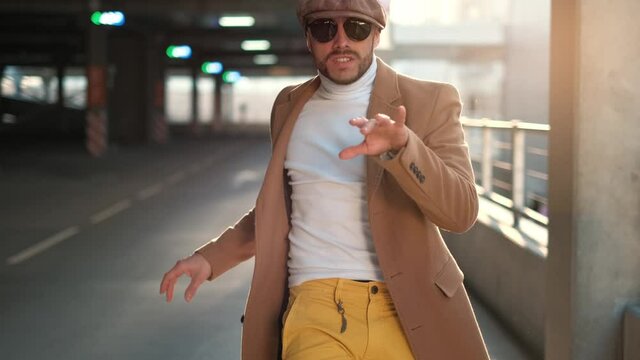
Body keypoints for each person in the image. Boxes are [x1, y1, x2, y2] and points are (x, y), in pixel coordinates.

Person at [160, 0, 490, 359]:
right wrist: (211, 258)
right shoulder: (289, 105)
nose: (341, 41)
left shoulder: (429, 100)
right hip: (314, 304)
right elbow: (280, 211)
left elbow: (461, 212)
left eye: (357, 28)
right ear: (308, 38)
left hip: (408, 309)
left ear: (377, 35)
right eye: (325, 29)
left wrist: (403, 148)